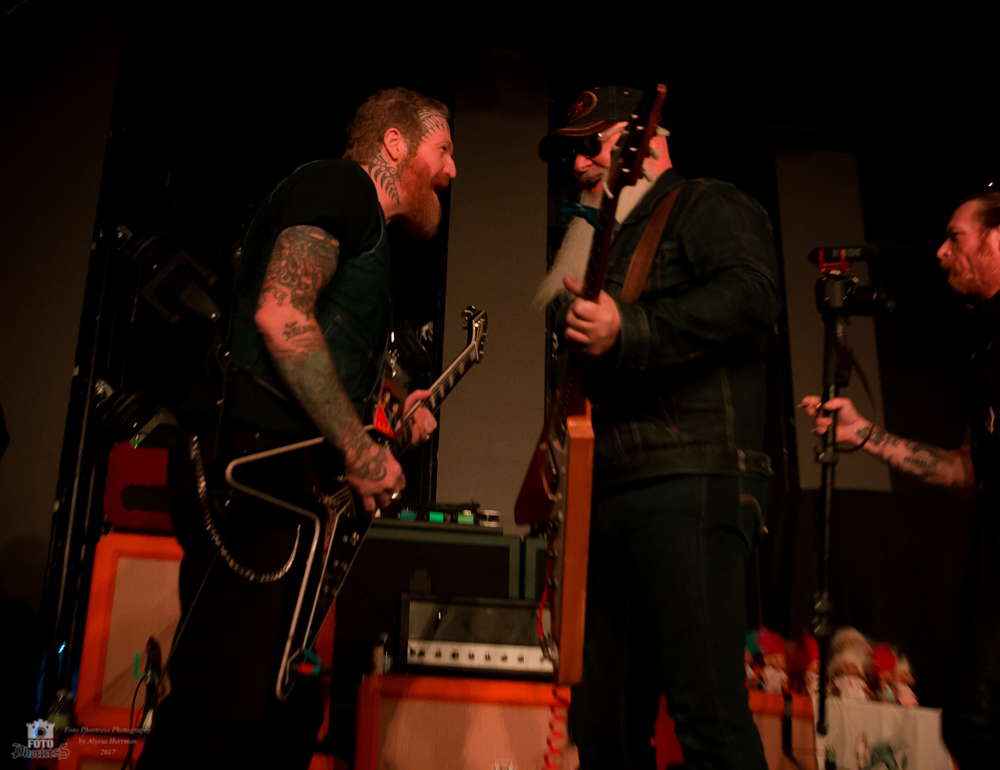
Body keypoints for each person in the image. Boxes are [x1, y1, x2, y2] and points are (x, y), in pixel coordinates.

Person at [137, 87, 455, 769]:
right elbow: (282, 314)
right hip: (252, 476)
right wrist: (357, 452)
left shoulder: (364, 236)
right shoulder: (339, 184)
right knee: (216, 715)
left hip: (277, 480)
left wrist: (393, 405)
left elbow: (320, 347)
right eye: (443, 148)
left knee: (268, 715)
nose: (453, 171)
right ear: (395, 144)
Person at [537, 85, 781, 769]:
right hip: (604, 493)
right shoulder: (593, 246)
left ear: (646, 138)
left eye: (593, 145)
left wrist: (631, 326)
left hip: (690, 478)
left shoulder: (709, 203)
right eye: (572, 154)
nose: (581, 164)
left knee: (707, 713)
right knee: (604, 728)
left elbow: (753, 295)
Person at [802, 188, 1000, 768]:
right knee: (969, 725)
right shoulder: (985, 345)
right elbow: (967, 471)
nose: (940, 252)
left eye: (955, 238)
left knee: (976, 718)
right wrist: (863, 434)